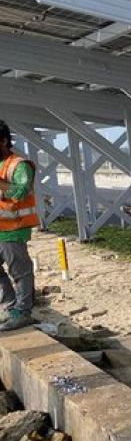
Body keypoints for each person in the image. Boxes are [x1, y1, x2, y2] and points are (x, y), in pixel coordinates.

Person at [0, 120, 39, 332]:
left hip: (13, 228)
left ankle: (23, 312)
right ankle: (10, 306)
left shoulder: (19, 165)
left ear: (4, 141)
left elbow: (21, 191)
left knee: (20, 271)